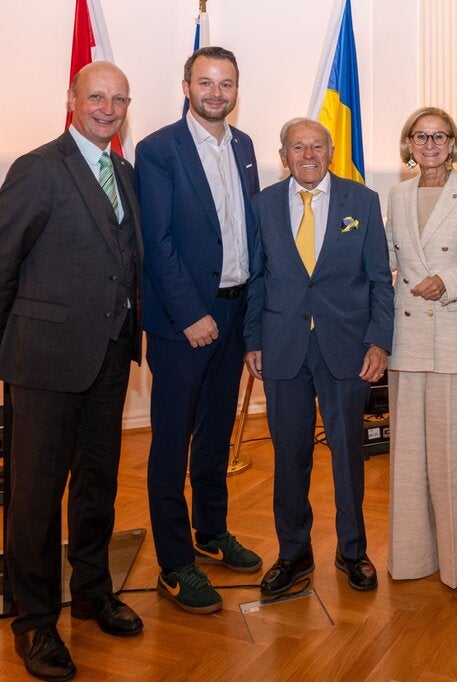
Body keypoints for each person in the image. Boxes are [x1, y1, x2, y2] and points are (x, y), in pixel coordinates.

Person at [0, 61, 143, 680]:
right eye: (96, 97)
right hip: (44, 361)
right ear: (72, 99)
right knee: (33, 497)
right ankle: (33, 622)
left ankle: (90, 589)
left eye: (118, 99)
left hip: (109, 358)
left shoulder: (127, 174)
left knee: (97, 484)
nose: (107, 108)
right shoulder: (36, 170)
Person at [243, 118, 394, 596]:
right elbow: (256, 277)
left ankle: (353, 550)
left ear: (330, 151)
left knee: (348, 452)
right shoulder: (262, 204)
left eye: (316, 146)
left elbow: (378, 279)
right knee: (289, 455)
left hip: (346, 347)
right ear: (283, 154)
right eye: (297, 147)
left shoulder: (362, 201)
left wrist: (379, 341)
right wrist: (252, 340)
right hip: (282, 345)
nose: (307, 155)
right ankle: (293, 553)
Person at [135, 46, 262, 615]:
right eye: (206, 83)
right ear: (186, 86)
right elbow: (156, 244)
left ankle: (211, 531)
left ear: (237, 89)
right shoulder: (157, 149)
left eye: (227, 83)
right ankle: (174, 561)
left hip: (234, 313)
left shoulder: (247, 147)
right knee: (171, 440)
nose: (217, 93)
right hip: (183, 320)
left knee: (215, 433)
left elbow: (248, 234)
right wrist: (190, 314)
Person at [385, 107, 457, 589]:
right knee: (409, 459)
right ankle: (413, 558)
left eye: (440, 136)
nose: (430, 143)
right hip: (407, 338)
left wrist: (448, 281)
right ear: (409, 144)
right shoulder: (396, 195)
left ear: (453, 143)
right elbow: (388, 260)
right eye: (421, 135)